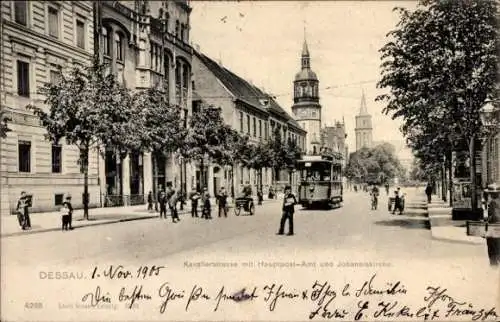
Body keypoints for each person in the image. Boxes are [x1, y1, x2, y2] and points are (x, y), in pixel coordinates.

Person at [485, 184, 500, 266]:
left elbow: (495, 216)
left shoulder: (493, 203)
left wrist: (488, 220)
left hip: (494, 229)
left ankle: (494, 266)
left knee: (492, 250)